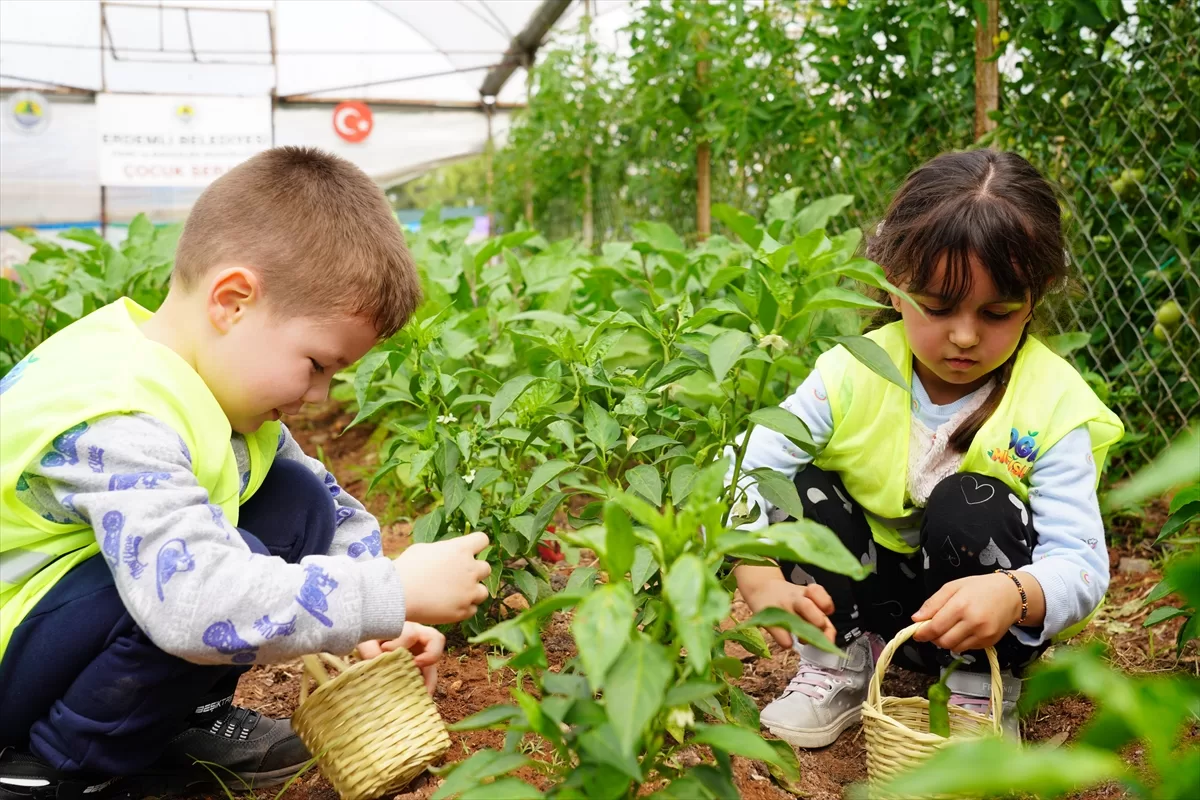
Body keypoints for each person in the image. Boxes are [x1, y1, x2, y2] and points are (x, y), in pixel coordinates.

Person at [0, 147, 493, 799]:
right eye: (317, 364)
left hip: (56, 626)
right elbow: (196, 603)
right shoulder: (117, 411)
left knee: (291, 502)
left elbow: (327, 506)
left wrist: (381, 618)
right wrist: (390, 589)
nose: (320, 395)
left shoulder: (208, 384)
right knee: (202, 577)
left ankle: (181, 720)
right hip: (13, 653)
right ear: (232, 302)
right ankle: (58, 769)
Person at [727, 150, 1123, 748]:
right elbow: (744, 467)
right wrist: (753, 569)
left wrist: (1016, 595)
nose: (964, 336)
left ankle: (975, 691)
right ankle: (836, 663)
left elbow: (1084, 565)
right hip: (864, 601)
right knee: (801, 484)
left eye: (997, 313)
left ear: (1034, 299)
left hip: (982, 617)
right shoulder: (852, 372)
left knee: (972, 502)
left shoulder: (1052, 402)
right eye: (938, 308)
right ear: (894, 285)